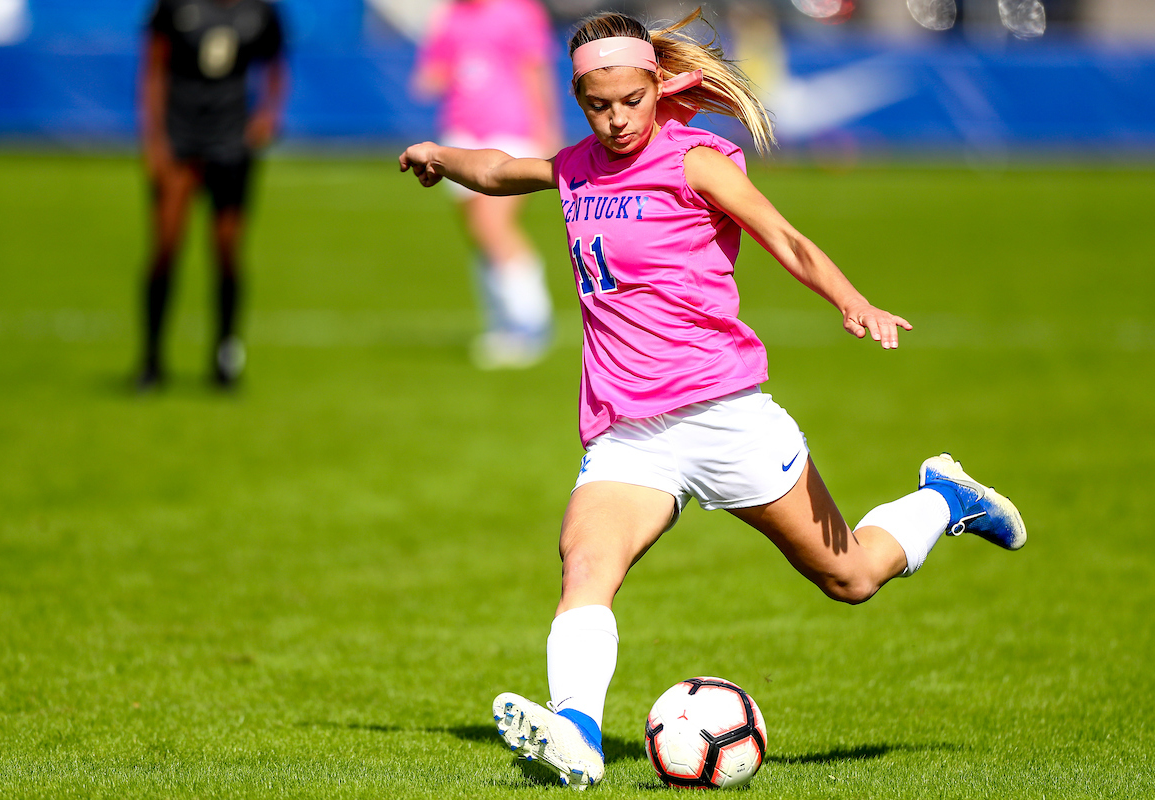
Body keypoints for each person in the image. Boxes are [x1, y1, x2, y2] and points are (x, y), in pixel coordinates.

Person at [400, 8, 1027, 789]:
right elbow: (499, 168)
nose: (618, 118)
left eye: (632, 100)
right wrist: (438, 155)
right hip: (629, 435)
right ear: (579, 98)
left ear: (659, 87)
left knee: (854, 578)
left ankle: (943, 499)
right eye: (599, 105)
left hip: (725, 417)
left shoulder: (693, 160)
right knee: (586, 562)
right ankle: (577, 731)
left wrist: (851, 299)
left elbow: (784, 236)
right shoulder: (576, 167)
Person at [136, 0, 287, 390]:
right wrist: (154, 140)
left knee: (227, 250)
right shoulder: (175, 7)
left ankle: (225, 357)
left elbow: (276, 68)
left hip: (231, 141)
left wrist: (268, 115)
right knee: (166, 247)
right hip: (180, 137)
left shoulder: (261, 12)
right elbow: (152, 69)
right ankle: (151, 361)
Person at [412, 0, 560, 369]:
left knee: (494, 225)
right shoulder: (449, 16)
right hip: (462, 132)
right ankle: (502, 321)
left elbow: (535, 71)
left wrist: (546, 126)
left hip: (511, 129)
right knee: (479, 233)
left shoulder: (519, 11)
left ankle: (531, 321)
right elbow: (432, 74)